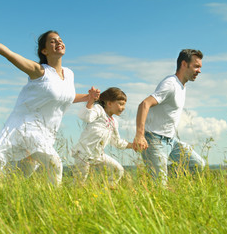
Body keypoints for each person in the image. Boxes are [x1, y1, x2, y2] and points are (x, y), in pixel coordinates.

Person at [0, 23, 100, 186]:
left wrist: (88, 97)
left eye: (60, 40)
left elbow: (64, 96)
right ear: (44, 51)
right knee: (54, 163)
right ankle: (54, 206)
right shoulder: (38, 71)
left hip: (46, 132)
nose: (59, 42)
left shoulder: (69, 74)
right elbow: (8, 54)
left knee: (14, 178)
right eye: (53, 41)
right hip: (27, 127)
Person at [133, 49, 206, 185]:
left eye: (200, 67)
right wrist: (140, 135)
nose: (199, 71)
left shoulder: (181, 85)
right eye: (196, 66)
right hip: (154, 141)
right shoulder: (170, 84)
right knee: (160, 187)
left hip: (171, 141)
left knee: (197, 165)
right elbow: (144, 104)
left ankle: (159, 175)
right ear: (184, 64)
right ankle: (157, 178)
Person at [72, 87, 133, 186]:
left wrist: (133, 145)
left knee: (118, 170)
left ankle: (106, 191)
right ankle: (73, 194)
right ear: (109, 103)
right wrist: (91, 100)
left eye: (124, 105)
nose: (123, 107)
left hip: (98, 155)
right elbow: (86, 117)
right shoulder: (99, 110)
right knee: (79, 182)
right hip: (83, 154)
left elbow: (116, 142)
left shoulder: (114, 122)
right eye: (121, 104)